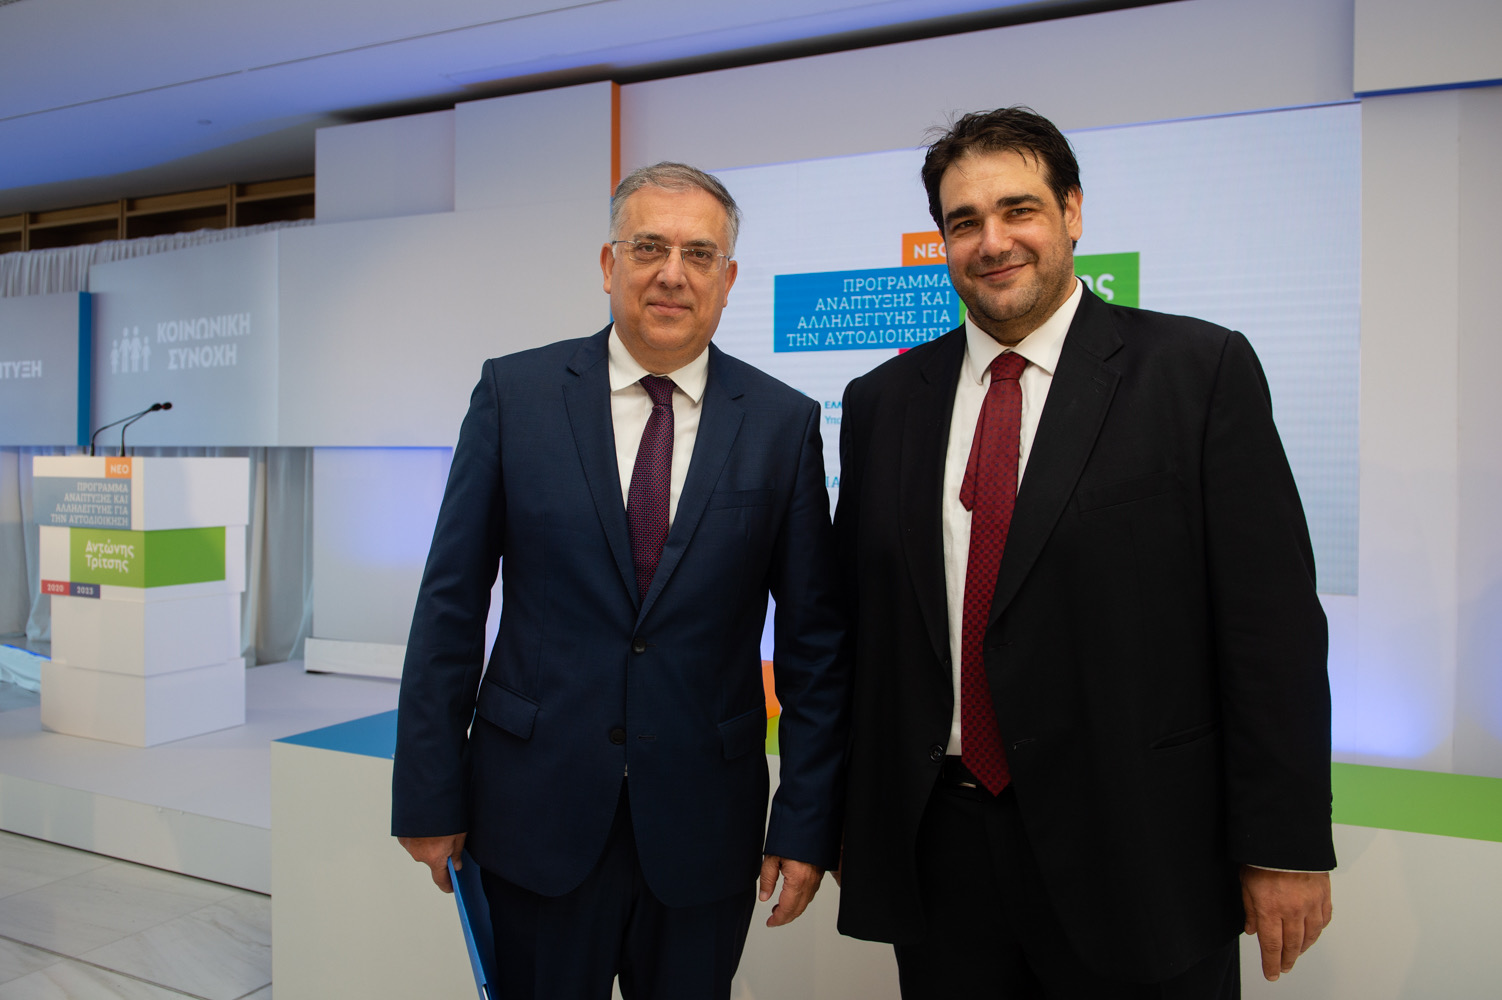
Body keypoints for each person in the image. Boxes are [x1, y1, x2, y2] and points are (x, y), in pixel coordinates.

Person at [834, 107, 1334, 998]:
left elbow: (1272, 632)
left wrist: (1284, 845)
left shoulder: (1197, 371)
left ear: (1071, 212)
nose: (993, 242)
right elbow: (858, 631)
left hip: (1141, 851)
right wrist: (839, 816)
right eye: (964, 221)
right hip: (945, 856)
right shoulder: (882, 402)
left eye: (1018, 210)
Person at [392, 162, 847, 1000]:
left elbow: (815, 645)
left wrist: (807, 820)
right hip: (533, 815)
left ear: (728, 279)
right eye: (648, 247)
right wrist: (428, 793)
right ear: (609, 265)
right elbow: (450, 603)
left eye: (699, 254)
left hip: (705, 828)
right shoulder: (515, 395)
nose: (673, 273)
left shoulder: (783, 423)